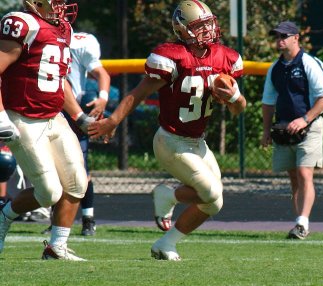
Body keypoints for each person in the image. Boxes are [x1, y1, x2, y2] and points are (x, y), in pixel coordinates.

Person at [89, 0, 246, 261]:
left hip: (198, 142)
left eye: (209, 25)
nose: (209, 31)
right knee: (211, 193)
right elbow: (138, 93)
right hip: (171, 141)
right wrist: (113, 121)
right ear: (183, 30)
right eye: (201, 26)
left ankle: (166, 243)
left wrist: (235, 97)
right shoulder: (172, 56)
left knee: (214, 203)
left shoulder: (224, 57)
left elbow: (238, 110)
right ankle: (167, 194)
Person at [0, 0, 93, 260]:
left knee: (77, 183)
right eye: (56, 2)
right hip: (24, 117)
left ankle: (56, 247)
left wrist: (80, 116)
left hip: (54, 116)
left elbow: (56, 78)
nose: (62, 8)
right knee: (49, 191)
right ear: (35, 3)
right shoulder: (23, 23)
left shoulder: (63, 28)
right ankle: (3, 216)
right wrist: (0, 115)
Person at [260, 21, 323, 239]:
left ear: (296, 38)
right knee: (294, 178)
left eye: (284, 36)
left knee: (304, 173)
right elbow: (268, 102)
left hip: (309, 127)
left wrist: (305, 119)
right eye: (277, 36)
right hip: (285, 129)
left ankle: (302, 222)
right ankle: (301, 224)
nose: (280, 40)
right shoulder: (275, 69)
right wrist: (266, 132)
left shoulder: (308, 63)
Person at [41, 31, 111, 236]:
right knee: (54, 169)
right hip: (46, 110)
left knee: (81, 166)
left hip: (73, 111)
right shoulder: (38, 36)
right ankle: (57, 221)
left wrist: (103, 98)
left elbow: (102, 74)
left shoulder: (81, 42)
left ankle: (88, 218)